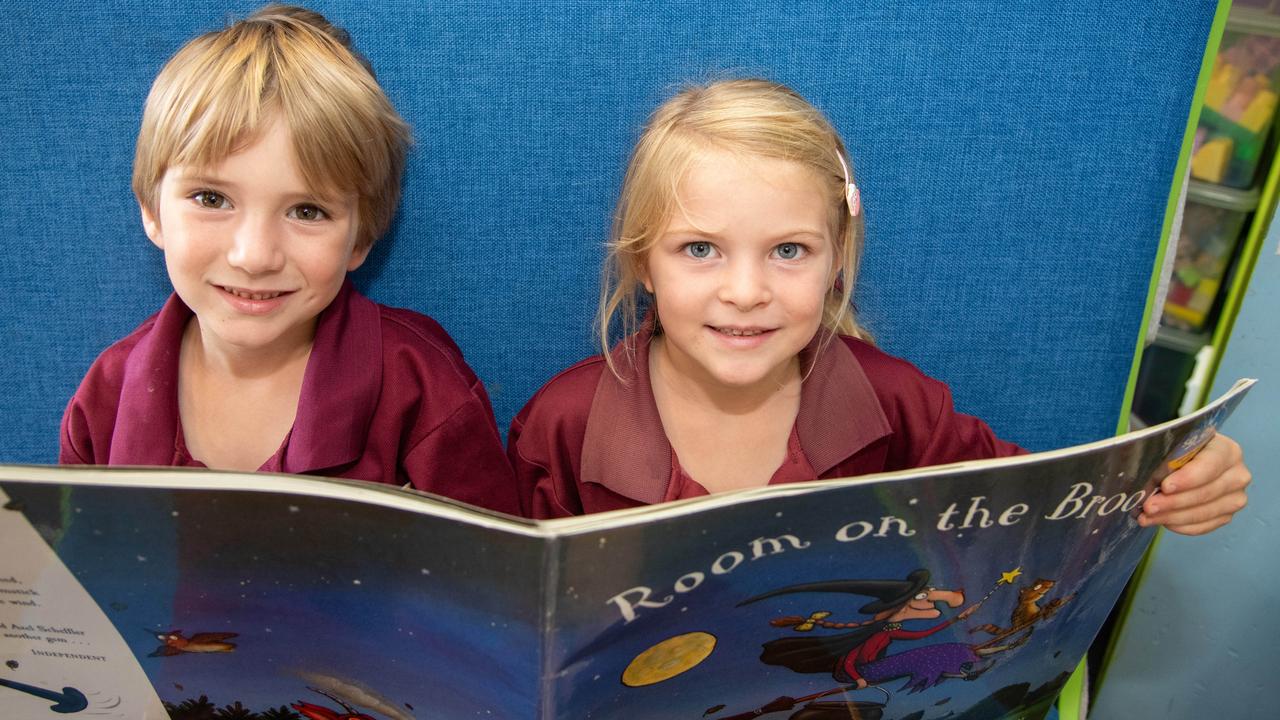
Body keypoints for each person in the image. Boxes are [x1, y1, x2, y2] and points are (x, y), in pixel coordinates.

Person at [507, 78, 1249, 531]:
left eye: (788, 251)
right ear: (642, 261)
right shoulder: (565, 422)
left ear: (837, 260)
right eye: (700, 249)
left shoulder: (896, 403)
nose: (745, 291)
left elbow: (1043, 506)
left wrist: (1176, 476)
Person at [59, 4, 517, 514]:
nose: (254, 256)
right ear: (151, 211)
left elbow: (491, 579)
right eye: (212, 199)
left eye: (307, 210)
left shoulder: (418, 386)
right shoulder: (107, 395)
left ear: (362, 238)